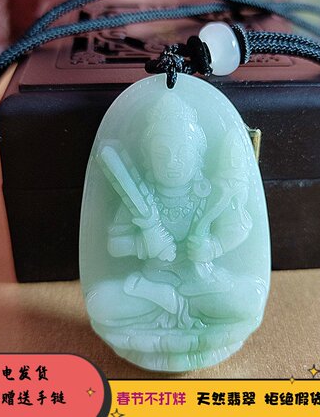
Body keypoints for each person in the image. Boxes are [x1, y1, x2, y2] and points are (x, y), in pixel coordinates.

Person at [86, 93, 265, 360]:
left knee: (251, 298)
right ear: (147, 156)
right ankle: (177, 311)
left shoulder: (210, 194)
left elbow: (238, 228)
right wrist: (144, 244)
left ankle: (180, 312)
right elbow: (115, 245)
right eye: (162, 154)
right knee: (99, 302)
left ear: (198, 155)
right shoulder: (140, 197)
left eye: (183, 153)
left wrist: (213, 247)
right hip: (151, 287)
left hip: (202, 285)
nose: (172, 163)